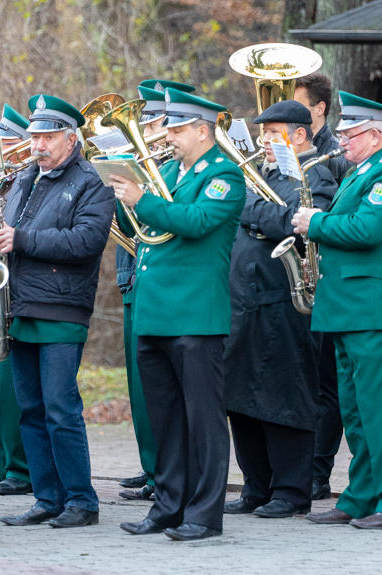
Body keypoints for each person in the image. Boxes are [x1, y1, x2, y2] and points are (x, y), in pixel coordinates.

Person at [111, 88, 245, 541]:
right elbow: (144, 226)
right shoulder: (166, 170)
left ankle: (204, 514)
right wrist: (119, 189)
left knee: (203, 420)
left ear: (203, 131)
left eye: (177, 128)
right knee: (165, 418)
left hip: (194, 313)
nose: (168, 135)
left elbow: (197, 221)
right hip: (156, 311)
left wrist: (142, 200)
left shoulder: (225, 174)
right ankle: (168, 505)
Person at [293, 91, 382, 529]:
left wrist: (316, 223)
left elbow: (368, 230)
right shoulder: (362, 170)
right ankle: (362, 494)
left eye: (350, 135)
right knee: (356, 410)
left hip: (376, 309)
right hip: (351, 306)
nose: (342, 141)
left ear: (375, 135)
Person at [0, 94, 113, 529]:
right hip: (20, 306)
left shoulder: (92, 182)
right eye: (34, 137)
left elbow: (86, 242)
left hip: (62, 309)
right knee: (29, 407)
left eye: (47, 137)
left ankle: (82, 500)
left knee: (60, 407)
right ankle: (47, 497)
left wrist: (20, 239)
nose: (37, 145)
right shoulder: (24, 177)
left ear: (71, 138)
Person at [223, 100, 337, 518]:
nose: (264, 142)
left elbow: (298, 220)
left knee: (284, 394)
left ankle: (291, 489)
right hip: (245, 300)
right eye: (263, 134)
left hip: (286, 300)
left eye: (273, 134)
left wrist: (249, 209)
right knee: (240, 396)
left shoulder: (315, 175)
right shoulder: (261, 176)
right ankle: (256, 484)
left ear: (300, 135)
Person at [115, 79, 194, 500]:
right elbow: (132, 227)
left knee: (171, 392)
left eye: (160, 119)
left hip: (173, 291)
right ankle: (154, 468)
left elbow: (183, 220)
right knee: (145, 389)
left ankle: (168, 473)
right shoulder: (155, 165)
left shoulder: (185, 169)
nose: (151, 127)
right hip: (137, 278)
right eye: (146, 118)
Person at [293, 70, 346, 502]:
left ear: (319, 109)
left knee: (326, 382)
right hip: (290, 280)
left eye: (299, 106)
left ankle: (318, 470)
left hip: (325, 277)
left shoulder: (335, 153)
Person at [0, 103, 32, 497]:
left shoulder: (27, 178)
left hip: (17, 288)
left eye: (5, 143)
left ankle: (19, 466)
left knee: (8, 385)